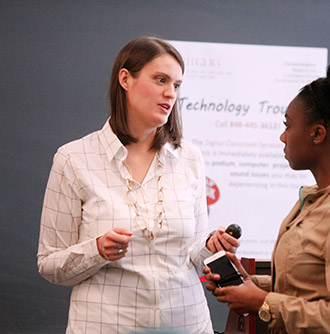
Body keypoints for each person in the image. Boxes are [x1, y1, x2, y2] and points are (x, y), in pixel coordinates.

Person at [37, 36, 239, 334]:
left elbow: (194, 256)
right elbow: (49, 264)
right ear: (125, 79)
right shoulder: (73, 159)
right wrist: (97, 250)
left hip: (186, 324)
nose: (171, 93)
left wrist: (210, 247)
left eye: (177, 85)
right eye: (161, 80)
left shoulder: (191, 158)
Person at [203, 55, 330, 333]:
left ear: (317, 134)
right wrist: (249, 284)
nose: (283, 137)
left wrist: (262, 302)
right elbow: (310, 286)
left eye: (288, 125)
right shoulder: (316, 198)